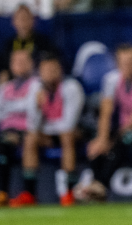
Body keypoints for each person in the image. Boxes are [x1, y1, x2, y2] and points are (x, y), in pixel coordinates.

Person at [78, 43, 132, 202]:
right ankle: (97, 186)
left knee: (122, 140)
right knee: (97, 144)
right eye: (122, 62)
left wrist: (110, 141)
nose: (126, 66)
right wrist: (102, 139)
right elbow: (106, 113)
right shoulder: (111, 79)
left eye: (131, 62)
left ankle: (100, 184)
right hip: (124, 128)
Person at [9, 53, 84, 207]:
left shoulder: (71, 87)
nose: (49, 74)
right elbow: (33, 124)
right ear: (40, 72)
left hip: (72, 132)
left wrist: (48, 132)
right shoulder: (35, 88)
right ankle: (29, 193)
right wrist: (38, 107)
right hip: (47, 133)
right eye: (46, 70)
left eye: (53, 69)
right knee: (30, 138)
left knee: (67, 137)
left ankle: (69, 192)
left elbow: (69, 123)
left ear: (60, 70)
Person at [0, 49, 38, 207]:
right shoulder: (5, 87)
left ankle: (15, 192)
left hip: (27, 130)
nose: (20, 65)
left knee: (5, 146)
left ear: (31, 64)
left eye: (23, 62)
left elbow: (33, 112)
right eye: (16, 62)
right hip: (6, 131)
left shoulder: (36, 85)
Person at [0, 5, 57, 84]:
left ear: (33, 21)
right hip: (13, 82)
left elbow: (52, 62)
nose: (23, 23)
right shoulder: (8, 44)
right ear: (13, 22)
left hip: (38, 81)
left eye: (26, 18)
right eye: (20, 19)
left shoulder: (43, 42)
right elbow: (3, 68)